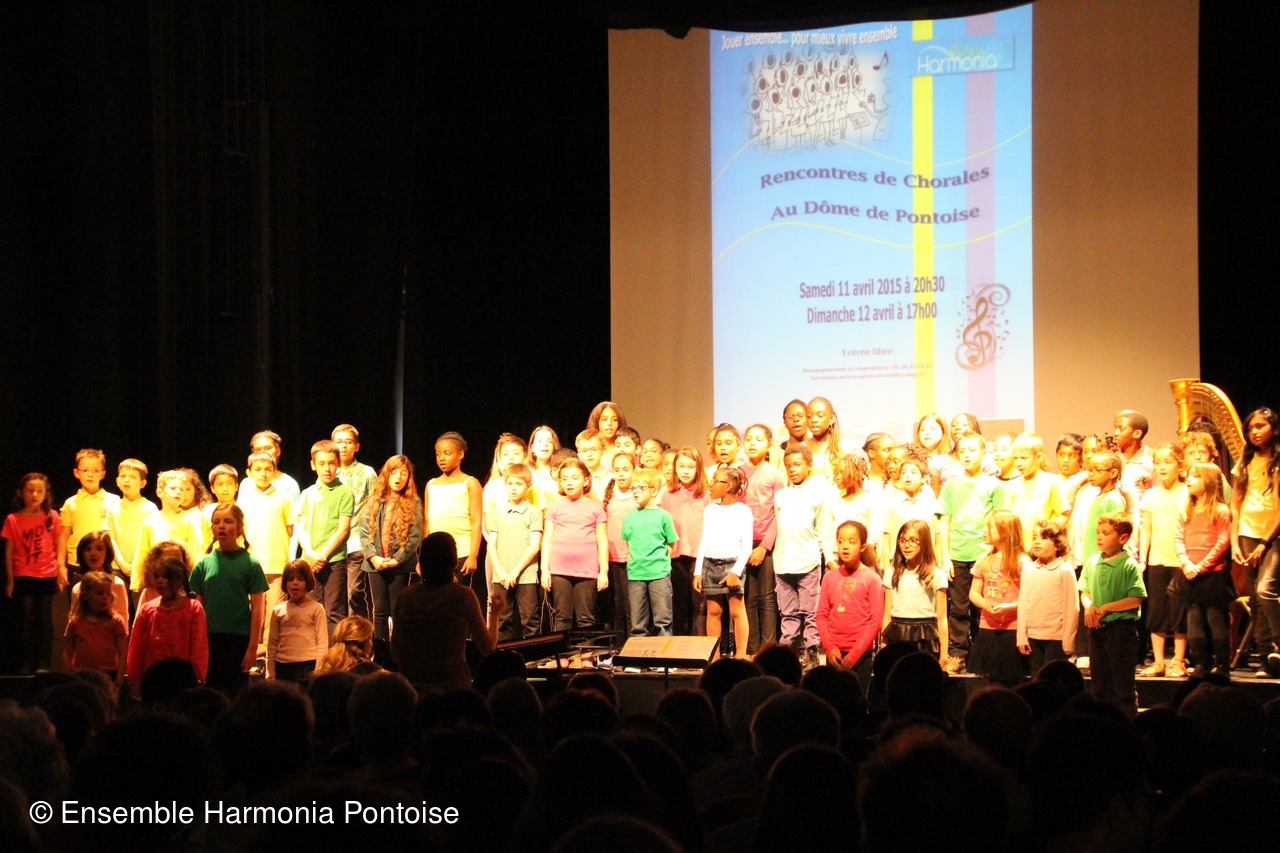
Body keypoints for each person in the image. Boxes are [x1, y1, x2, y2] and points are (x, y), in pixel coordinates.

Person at [392, 532, 503, 690]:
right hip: (454, 688)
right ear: (454, 561)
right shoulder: (462, 596)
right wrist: (495, 614)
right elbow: (488, 647)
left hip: (414, 688)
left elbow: (396, 653)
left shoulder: (406, 596)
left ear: (422, 561)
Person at [937, 434, 1004, 673]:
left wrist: (992, 553)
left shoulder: (994, 485)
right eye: (962, 450)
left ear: (983, 453)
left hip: (984, 555)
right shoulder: (950, 486)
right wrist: (945, 557)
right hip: (958, 554)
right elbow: (944, 521)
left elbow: (999, 521)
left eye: (972, 450)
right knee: (958, 608)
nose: (967, 454)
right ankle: (958, 654)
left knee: (982, 607)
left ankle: (981, 654)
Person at [189, 503, 268, 694]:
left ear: (239, 527)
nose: (221, 526)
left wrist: (252, 647)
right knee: (211, 692)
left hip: (238, 638)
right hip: (209, 638)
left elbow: (258, 608)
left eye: (228, 521)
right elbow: (195, 606)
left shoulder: (250, 563)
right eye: (216, 522)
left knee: (235, 692)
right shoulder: (203, 563)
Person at [1079, 512, 1146, 716]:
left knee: (1122, 683)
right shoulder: (1092, 562)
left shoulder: (1129, 564)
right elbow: (1085, 591)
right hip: (1097, 628)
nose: (1099, 537)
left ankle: (1126, 721)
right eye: (1098, 532)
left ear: (1123, 538)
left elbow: (1135, 598)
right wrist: (1089, 606)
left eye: (1106, 533)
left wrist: (1106, 608)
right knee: (1099, 683)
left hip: (1120, 630)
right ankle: (1102, 721)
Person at [1231, 407, 1280, 676]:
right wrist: (1235, 541)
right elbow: (1236, 504)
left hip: (1273, 536)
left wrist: (1264, 542)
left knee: (1265, 591)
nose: (1254, 432)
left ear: (1274, 429)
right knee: (1255, 599)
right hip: (1247, 532)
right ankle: (1265, 658)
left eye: (1260, 426)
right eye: (1250, 428)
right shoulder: (1246, 460)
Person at [359, 454, 423, 653]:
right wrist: (373, 557)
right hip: (376, 564)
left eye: (403, 473)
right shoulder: (374, 501)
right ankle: (380, 652)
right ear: (386, 474)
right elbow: (364, 532)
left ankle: (397, 652)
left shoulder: (413, 502)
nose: (398, 477)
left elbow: (415, 536)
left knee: (397, 610)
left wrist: (398, 559)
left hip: (399, 566)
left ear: (408, 477)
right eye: (394, 472)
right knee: (379, 611)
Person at [1175, 462, 1234, 677]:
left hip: (1212, 573)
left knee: (1215, 617)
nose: (1189, 480)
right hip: (1190, 572)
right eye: (1189, 476)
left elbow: (1222, 542)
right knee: (1194, 618)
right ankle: (1201, 662)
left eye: (1195, 476)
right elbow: (1178, 538)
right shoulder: (1186, 510)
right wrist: (1186, 563)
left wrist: (1201, 566)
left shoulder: (1220, 511)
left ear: (1209, 481)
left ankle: (1222, 664)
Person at [773, 444, 828, 668]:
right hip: (783, 561)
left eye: (797, 465)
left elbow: (821, 529)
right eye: (788, 466)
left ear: (809, 466)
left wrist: (818, 554)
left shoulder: (817, 495)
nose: (792, 469)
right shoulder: (781, 495)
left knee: (810, 611)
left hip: (807, 561)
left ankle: (812, 651)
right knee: (788, 611)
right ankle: (789, 654)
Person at [296, 439, 355, 642]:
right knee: (311, 610)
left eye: (331, 463)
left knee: (334, 611)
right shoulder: (307, 494)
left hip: (333, 561)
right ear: (313, 465)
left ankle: (332, 655)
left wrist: (322, 555)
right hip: (310, 561)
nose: (327, 468)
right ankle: (312, 653)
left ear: (338, 464)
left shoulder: (344, 492)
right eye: (321, 463)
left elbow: (343, 529)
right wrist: (310, 553)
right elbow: (301, 527)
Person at [3, 473, 63, 673]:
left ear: (46, 494)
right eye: (30, 491)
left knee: (45, 619)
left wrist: (59, 571)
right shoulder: (13, 519)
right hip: (24, 574)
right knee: (27, 620)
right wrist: (10, 581)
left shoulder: (52, 516)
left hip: (47, 574)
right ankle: (27, 663)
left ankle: (44, 663)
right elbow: (9, 551)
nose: (35, 495)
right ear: (21, 493)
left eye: (39, 491)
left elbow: (58, 545)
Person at [1139, 442, 1189, 677]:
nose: (1162, 467)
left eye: (1168, 462)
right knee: (1156, 611)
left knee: (1180, 612)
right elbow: (1146, 529)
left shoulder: (1188, 491)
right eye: (1158, 462)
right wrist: (1143, 557)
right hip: (1157, 559)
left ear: (1180, 464)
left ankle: (1179, 660)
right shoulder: (1150, 494)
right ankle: (1159, 662)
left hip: (1181, 560)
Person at [816, 520, 883, 693]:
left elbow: (875, 621)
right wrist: (829, 648)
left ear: (862, 546)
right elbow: (822, 615)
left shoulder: (872, 579)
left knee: (856, 701)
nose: (845, 547)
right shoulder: (829, 577)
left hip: (860, 657)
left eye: (852, 542)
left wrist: (854, 655)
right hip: (834, 655)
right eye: (841, 541)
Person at [542, 458, 608, 631]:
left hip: (587, 570)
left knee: (586, 617)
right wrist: (545, 570)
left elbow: (602, 541)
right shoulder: (554, 507)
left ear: (585, 481)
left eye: (574, 478)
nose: (569, 483)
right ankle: (562, 650)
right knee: (562, 616)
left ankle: (586, 649)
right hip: (559, 570)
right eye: (564, 479)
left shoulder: (595, 508)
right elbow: (547, 539)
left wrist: (604, 571)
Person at [127, 555, 208, 696]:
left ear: (178, 580)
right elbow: (136, 647)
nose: (159, 581)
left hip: (183, 679)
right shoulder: (147, 610)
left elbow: (199, 646)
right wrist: (134, 679)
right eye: (156, 576)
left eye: (164, 576)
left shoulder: (193, 609)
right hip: (152, 678)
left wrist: (198, 677)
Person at [237, 450, 293, 653]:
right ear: (249, 472)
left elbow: (290, 529)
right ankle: (252, 654)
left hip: (276, 564)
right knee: (253, 613)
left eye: (268, 469)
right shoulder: (243, 499)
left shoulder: (284, 497)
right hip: (251, 564)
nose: (263, 473)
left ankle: (269, 656)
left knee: (274, 614)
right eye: (258, 469)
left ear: (274, 471)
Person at [695, 467, 752, 658]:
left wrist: (736, 572)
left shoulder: (743, 511)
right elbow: (704, 540)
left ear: (728, 486)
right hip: (710, 564)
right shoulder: (710, 510)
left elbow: (747, 545)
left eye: (715, 481)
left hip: (732, 564)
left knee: (737, 611)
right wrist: (698, 571)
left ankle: (741, 655)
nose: (710, 485)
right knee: (713, 611)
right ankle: (715, 656)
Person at [968, 510, 1028, 685]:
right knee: (991, 681)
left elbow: (1029, 597)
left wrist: (1009, 607)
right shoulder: (984, 560)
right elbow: (974, 593)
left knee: (1013, 681)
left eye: (989, 527)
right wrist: (984, 603)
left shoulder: (1022, 561)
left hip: (1013, 629)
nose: (984, 531)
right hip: (988, 628)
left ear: (1004, 531)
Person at [741, 424, 785, 654]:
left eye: (758, 439)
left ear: (769, 444)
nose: (752, 443)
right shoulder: (738, 472)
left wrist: (765, 546)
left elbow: (779, 514)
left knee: (767, 598)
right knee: (748, 598)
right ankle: (751, 649)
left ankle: (767, 650)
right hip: (742, 543)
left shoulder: (775, 474)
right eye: (749, 438)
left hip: (766, 543)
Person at [487, 462, 543, 640]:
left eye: (519, 484)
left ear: (528, 486)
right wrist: (500, 571)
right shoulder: (498, 513)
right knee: (502, 619)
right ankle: (503, 654)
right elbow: (491, 544)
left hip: (526, 575)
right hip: (501, 575)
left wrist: (516, 571)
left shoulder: (534, 512)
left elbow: (535, 545)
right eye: (510, 483)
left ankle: (533, 654)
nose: (513, 488)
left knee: (529, 619)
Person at [881, 518, 948, 662]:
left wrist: (944, 655)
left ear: (924, 542)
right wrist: (883, 645)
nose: (906, 545)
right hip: (898, 635)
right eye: (902, 540)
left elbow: (942, 619)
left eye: (913, 540)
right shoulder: (891, 574)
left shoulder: (937, 575)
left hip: (925, 636)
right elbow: (887, 616)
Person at [621, 468, 678, 636]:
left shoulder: (663, 516)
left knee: (663, 621)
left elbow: (671, 545)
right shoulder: (629, 517)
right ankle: (640, 653)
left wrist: (659, 563)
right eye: (633, 488)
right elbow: (629, 544)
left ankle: (664, 652)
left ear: (654, 491)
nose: (635, 492)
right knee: (637, 623)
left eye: (641, 488)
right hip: (636, 574)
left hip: (659, 574)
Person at [1016, 520, 1079, 675]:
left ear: (1057, 544)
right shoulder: (1028, 569)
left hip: (1056, 638)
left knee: (1054, 680)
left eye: (1043, 538)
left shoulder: (1065, 570)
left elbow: (1072, 608)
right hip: (1033, 637)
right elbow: (1023, 604)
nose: (1037, 542)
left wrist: (1068, 640)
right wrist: (1021, 637)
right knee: (1037, 680)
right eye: (1035, 537)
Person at [133, 470, 202, 609]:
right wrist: (136, 581)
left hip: (180, 582)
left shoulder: (190, 520)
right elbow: (142, 552)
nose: (178, 492)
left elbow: (197, 551)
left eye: (181, 489)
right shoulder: (150, 521)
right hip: (156, 582)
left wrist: (195, 581)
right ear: (160, 492)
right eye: (173, 488)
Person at [424, 431, 483, 595]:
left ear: (461, 454)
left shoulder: (470, 483)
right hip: (435, 553)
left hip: (461, 551)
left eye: (447, 453)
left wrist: (473, 555)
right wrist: (425, 554)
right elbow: (427, 521)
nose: (441, 458)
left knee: (456, 597)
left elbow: (476, 521)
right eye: (438, 454)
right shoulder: (431, 484)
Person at [660, 446, 710, 636]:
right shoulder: (668, 494)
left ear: (698, 468)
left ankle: (700, 647)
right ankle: (681, 645)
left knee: (699, 605)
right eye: (681, 466)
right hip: (675, 556)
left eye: (690, 467)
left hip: (699, 556)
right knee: (679, 605)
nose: (686, 471)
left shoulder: (706, 494)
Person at [332, 424, 379, 621]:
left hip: (357, 542)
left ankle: (359, 633)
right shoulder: (329, 471)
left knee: (354, 592)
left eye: (348, 442)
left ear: (356, 446)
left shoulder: (367, 473)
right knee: (336, 595)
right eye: (339, 442)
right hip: (333, 544)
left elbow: (375, 507)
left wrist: (371, 542)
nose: (343, 446)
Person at [58, 449, 119, 590]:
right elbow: (64, 535)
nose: (90, 474)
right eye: (85, 470)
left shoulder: (114, 501)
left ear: (103, 474)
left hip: (104, 562)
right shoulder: (70, 503)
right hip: (77, 562)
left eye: (95, 470)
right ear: (76, 473)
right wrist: (60, 564)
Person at [266, 559, 328, 684]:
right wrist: (270, 674)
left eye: (300, 579)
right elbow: (272, 645)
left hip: (308, 666)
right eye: (290, 579)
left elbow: (322, 643)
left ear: (308, 582)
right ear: (285, 583)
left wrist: (319, 670)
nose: (295, 583)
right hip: (283, 667)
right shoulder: (278, 611)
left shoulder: (316, 609)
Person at [64, 570, 128, 686]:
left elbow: (122, 651)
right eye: (99, 593)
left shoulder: (116, 621)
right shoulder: (76, 622)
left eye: (108, 593)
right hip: (82, 676)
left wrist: (120, 677)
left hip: (108, 675)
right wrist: (69, 675)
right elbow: (68, 652)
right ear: (85, 596)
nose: (105, 597)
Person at [106, 458, 158, 600]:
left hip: (141, 568)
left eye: (133, 477)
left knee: (140, 607)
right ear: (117, 481)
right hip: (117, 568)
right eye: (123, 476)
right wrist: (121, 563)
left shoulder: (150, 508)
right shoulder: (112, 509)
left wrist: (138, 565)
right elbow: (110, 539)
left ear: (142, 483)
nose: (127, 480)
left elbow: (151, 541)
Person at [1005, 433, 1067, 548]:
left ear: (1038, 457)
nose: (1018, 463)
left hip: (1042, 549)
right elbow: (1006, 518)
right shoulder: (1012, 485)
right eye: (1015, 458)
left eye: (1023, 458)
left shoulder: (1051, 482)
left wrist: (1048, 535)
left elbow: (1064, 514)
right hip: (1017, 548)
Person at [602, 451, 638, 634]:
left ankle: (633, 644)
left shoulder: (636, 496)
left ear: (634, 470)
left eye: (626, 469)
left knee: (631, 606)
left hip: (633, 557)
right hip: (613, 557)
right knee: (616, 606)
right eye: (617, 470)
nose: (621, 474)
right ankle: (617, 645)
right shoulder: (609, 497)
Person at [881, 451, 938, 563]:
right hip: (899, 562)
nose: (907, 475)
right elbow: (886, 536)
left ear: (923, 478)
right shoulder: (894, 503)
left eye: (913, 472)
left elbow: (937, 536)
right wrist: (887, 567)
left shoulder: (930, 503)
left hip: (925, 562)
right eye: (904, 472)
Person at [68, 530, 129, 628]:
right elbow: (74, 623)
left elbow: (123, 623)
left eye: (99, 549)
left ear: (107, 553)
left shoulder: (117, 584)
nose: (93, 553)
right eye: (88, 549)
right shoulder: (77, 588)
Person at [1114, 409, 1154, 499]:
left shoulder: (1151, 459)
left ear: (1137, 434)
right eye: (1115, 428)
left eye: (1121, 429)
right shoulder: (1112, 457)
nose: (1115, 433)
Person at [803, 396, 843, 484]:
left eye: (820, 416)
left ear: (831, 419)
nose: (814, 420)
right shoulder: (801, 449)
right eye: (809, 416)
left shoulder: (842, 450)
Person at [526, 425, 562, 507]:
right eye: (540, 441)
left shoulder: (560, 472)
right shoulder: (526, 471)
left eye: (550, 441)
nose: (545, 444)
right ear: (532, 447)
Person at [587, 401, 626, 468]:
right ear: (596, 422)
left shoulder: (624, 447)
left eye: (614, 420)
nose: (609, 423)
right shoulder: (588, 449)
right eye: (604, 419)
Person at [576, 429, 609, 500]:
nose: (589, 454)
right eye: (584, 450)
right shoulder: (576, 478)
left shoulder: (610, 478)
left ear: (603, 450)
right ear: (579, 452)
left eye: (594, 449)